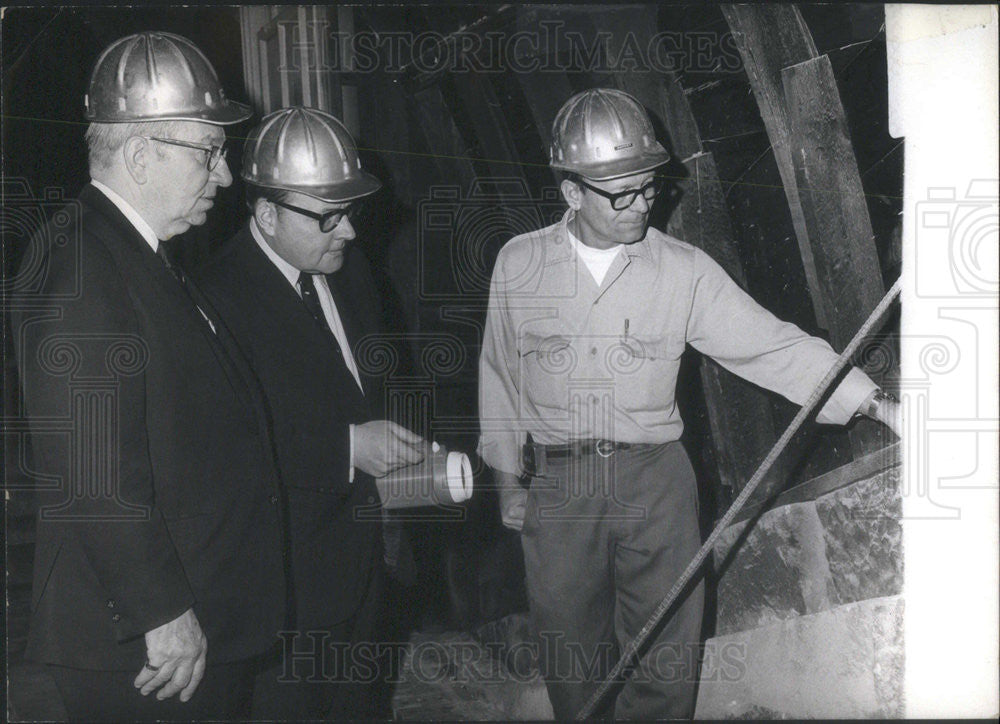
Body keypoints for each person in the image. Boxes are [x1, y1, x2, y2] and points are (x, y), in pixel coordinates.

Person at [477, 87, 902, 720]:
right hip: (562, 486)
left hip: (657, 483)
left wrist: (877, 405)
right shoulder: (519, 264)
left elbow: (772, 345)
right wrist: (508, 481)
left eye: (648, 187)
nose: (642, 204)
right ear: (571, 192)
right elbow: (500, 375)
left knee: (668, 660)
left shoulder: (684, 270)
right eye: (621, 193)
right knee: (573, 660)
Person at [12, 32, 288, 721]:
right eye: (209, 154)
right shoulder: (83, 266)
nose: (224, 177)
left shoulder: (139, 255)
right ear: (140, 155)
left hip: (179, 634)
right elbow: (94, 469)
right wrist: (161, 612)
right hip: (145, 653)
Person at [194, 106, 426, 720]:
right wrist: (346, 449)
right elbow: (217, 446)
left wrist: (406, 465)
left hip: (365, 572)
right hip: (281, 593)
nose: (347, 231)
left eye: (350, 212)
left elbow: (369, 394)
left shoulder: (351, 276)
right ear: (266, 213)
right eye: (328, 217)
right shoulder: (211, 298)